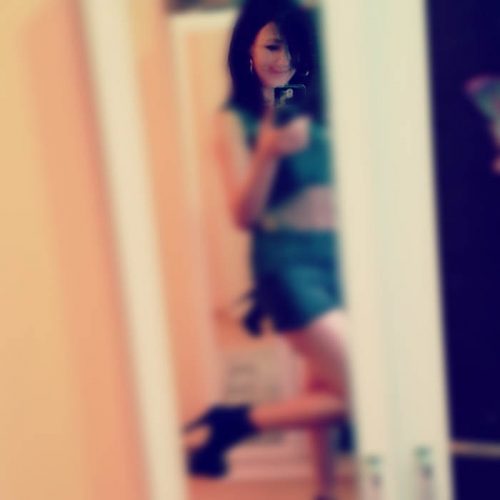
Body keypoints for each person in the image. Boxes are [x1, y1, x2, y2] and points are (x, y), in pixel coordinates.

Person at [184, 1, 351, 498]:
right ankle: (236, 422)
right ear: (247, 50)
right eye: (272, 45)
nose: (284, 58)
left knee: (325, 385)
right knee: (368, 387)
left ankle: (323, 491)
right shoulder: (235, 119)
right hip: (290, 267)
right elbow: (242, 214)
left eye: (293, 45)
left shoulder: (316, 105)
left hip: (340, 261)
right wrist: (266, 154)